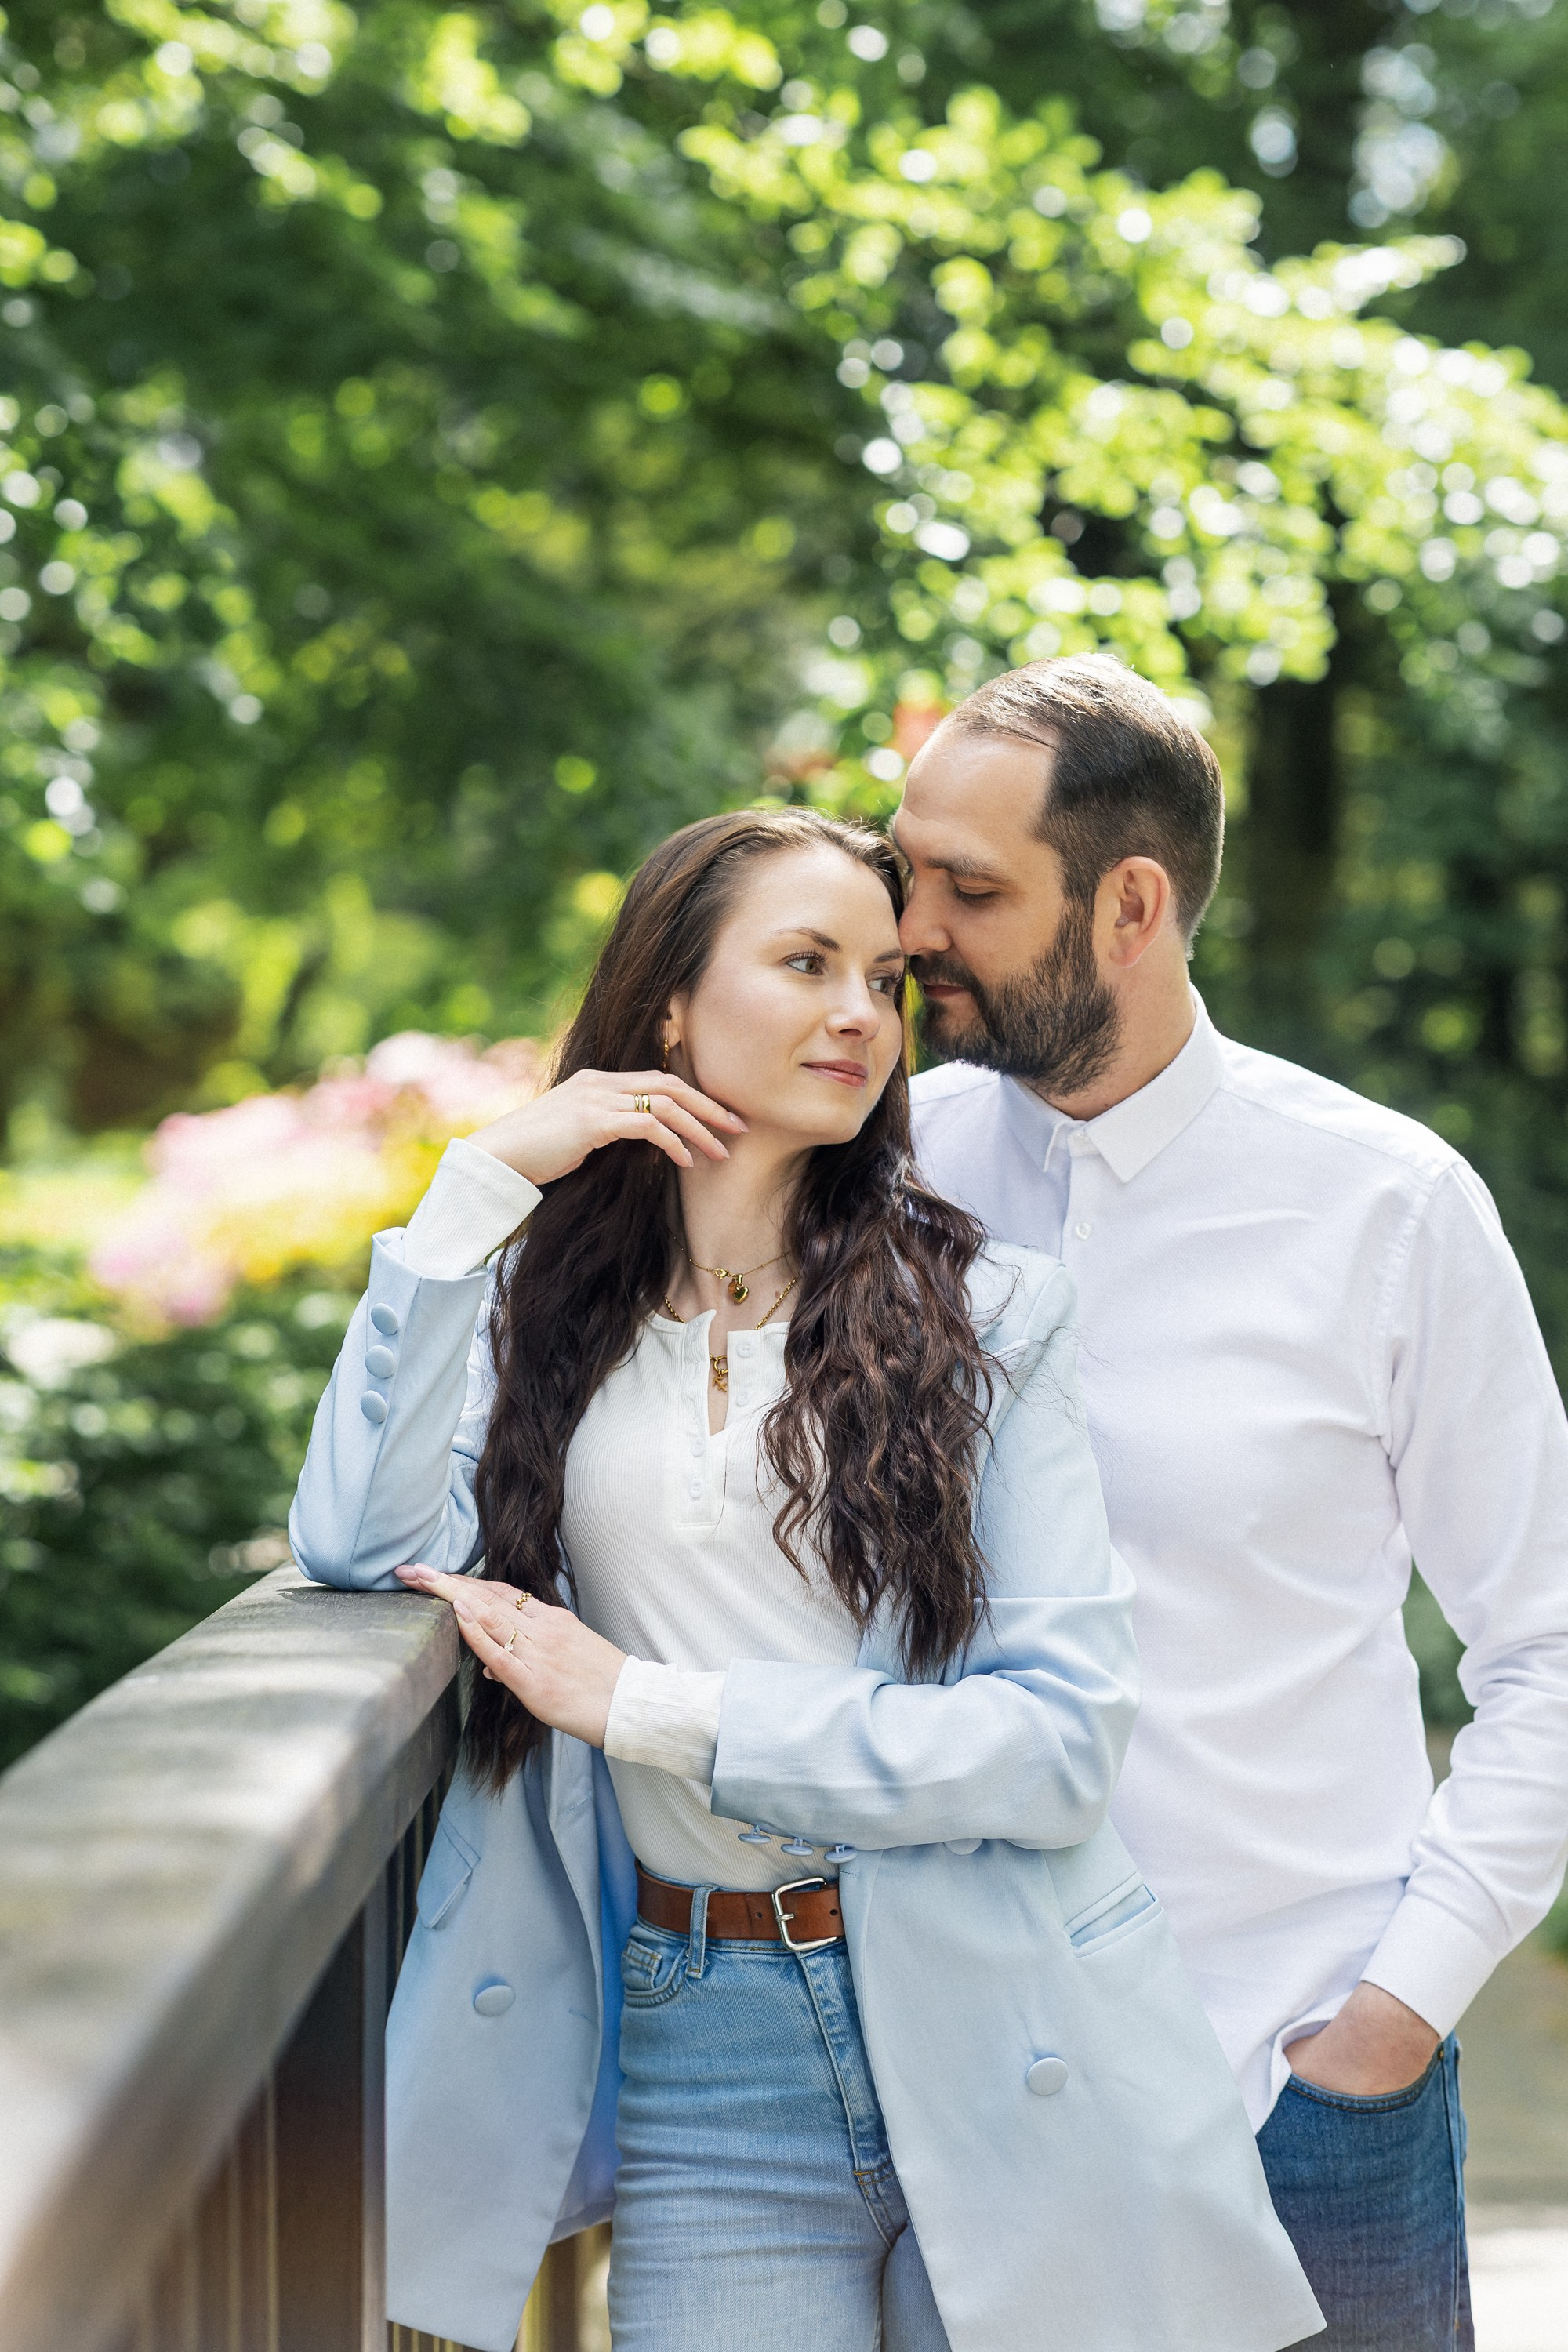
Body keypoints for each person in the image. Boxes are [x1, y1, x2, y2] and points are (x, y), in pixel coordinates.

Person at [289, 807, 1322, 2352]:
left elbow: (1055, 1744)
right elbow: (361, 1546)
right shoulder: (530, 1314)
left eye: (881, 981)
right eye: (804, 963)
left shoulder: (989, 1312)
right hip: (701, 2038)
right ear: (667, 1008)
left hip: (1005, 2021)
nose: (858, 1012)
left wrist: (649, 1706)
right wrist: (477, 1187)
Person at [897, 652, 1568, 2352]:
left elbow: (1551, 1651)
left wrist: (1388, 2022)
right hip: (947, 2100)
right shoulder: (886, 1170)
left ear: (1130, 906)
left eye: (967, 890)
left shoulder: (1384, 1207)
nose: (908, 929)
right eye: (906, 870)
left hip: (1292, 2086)